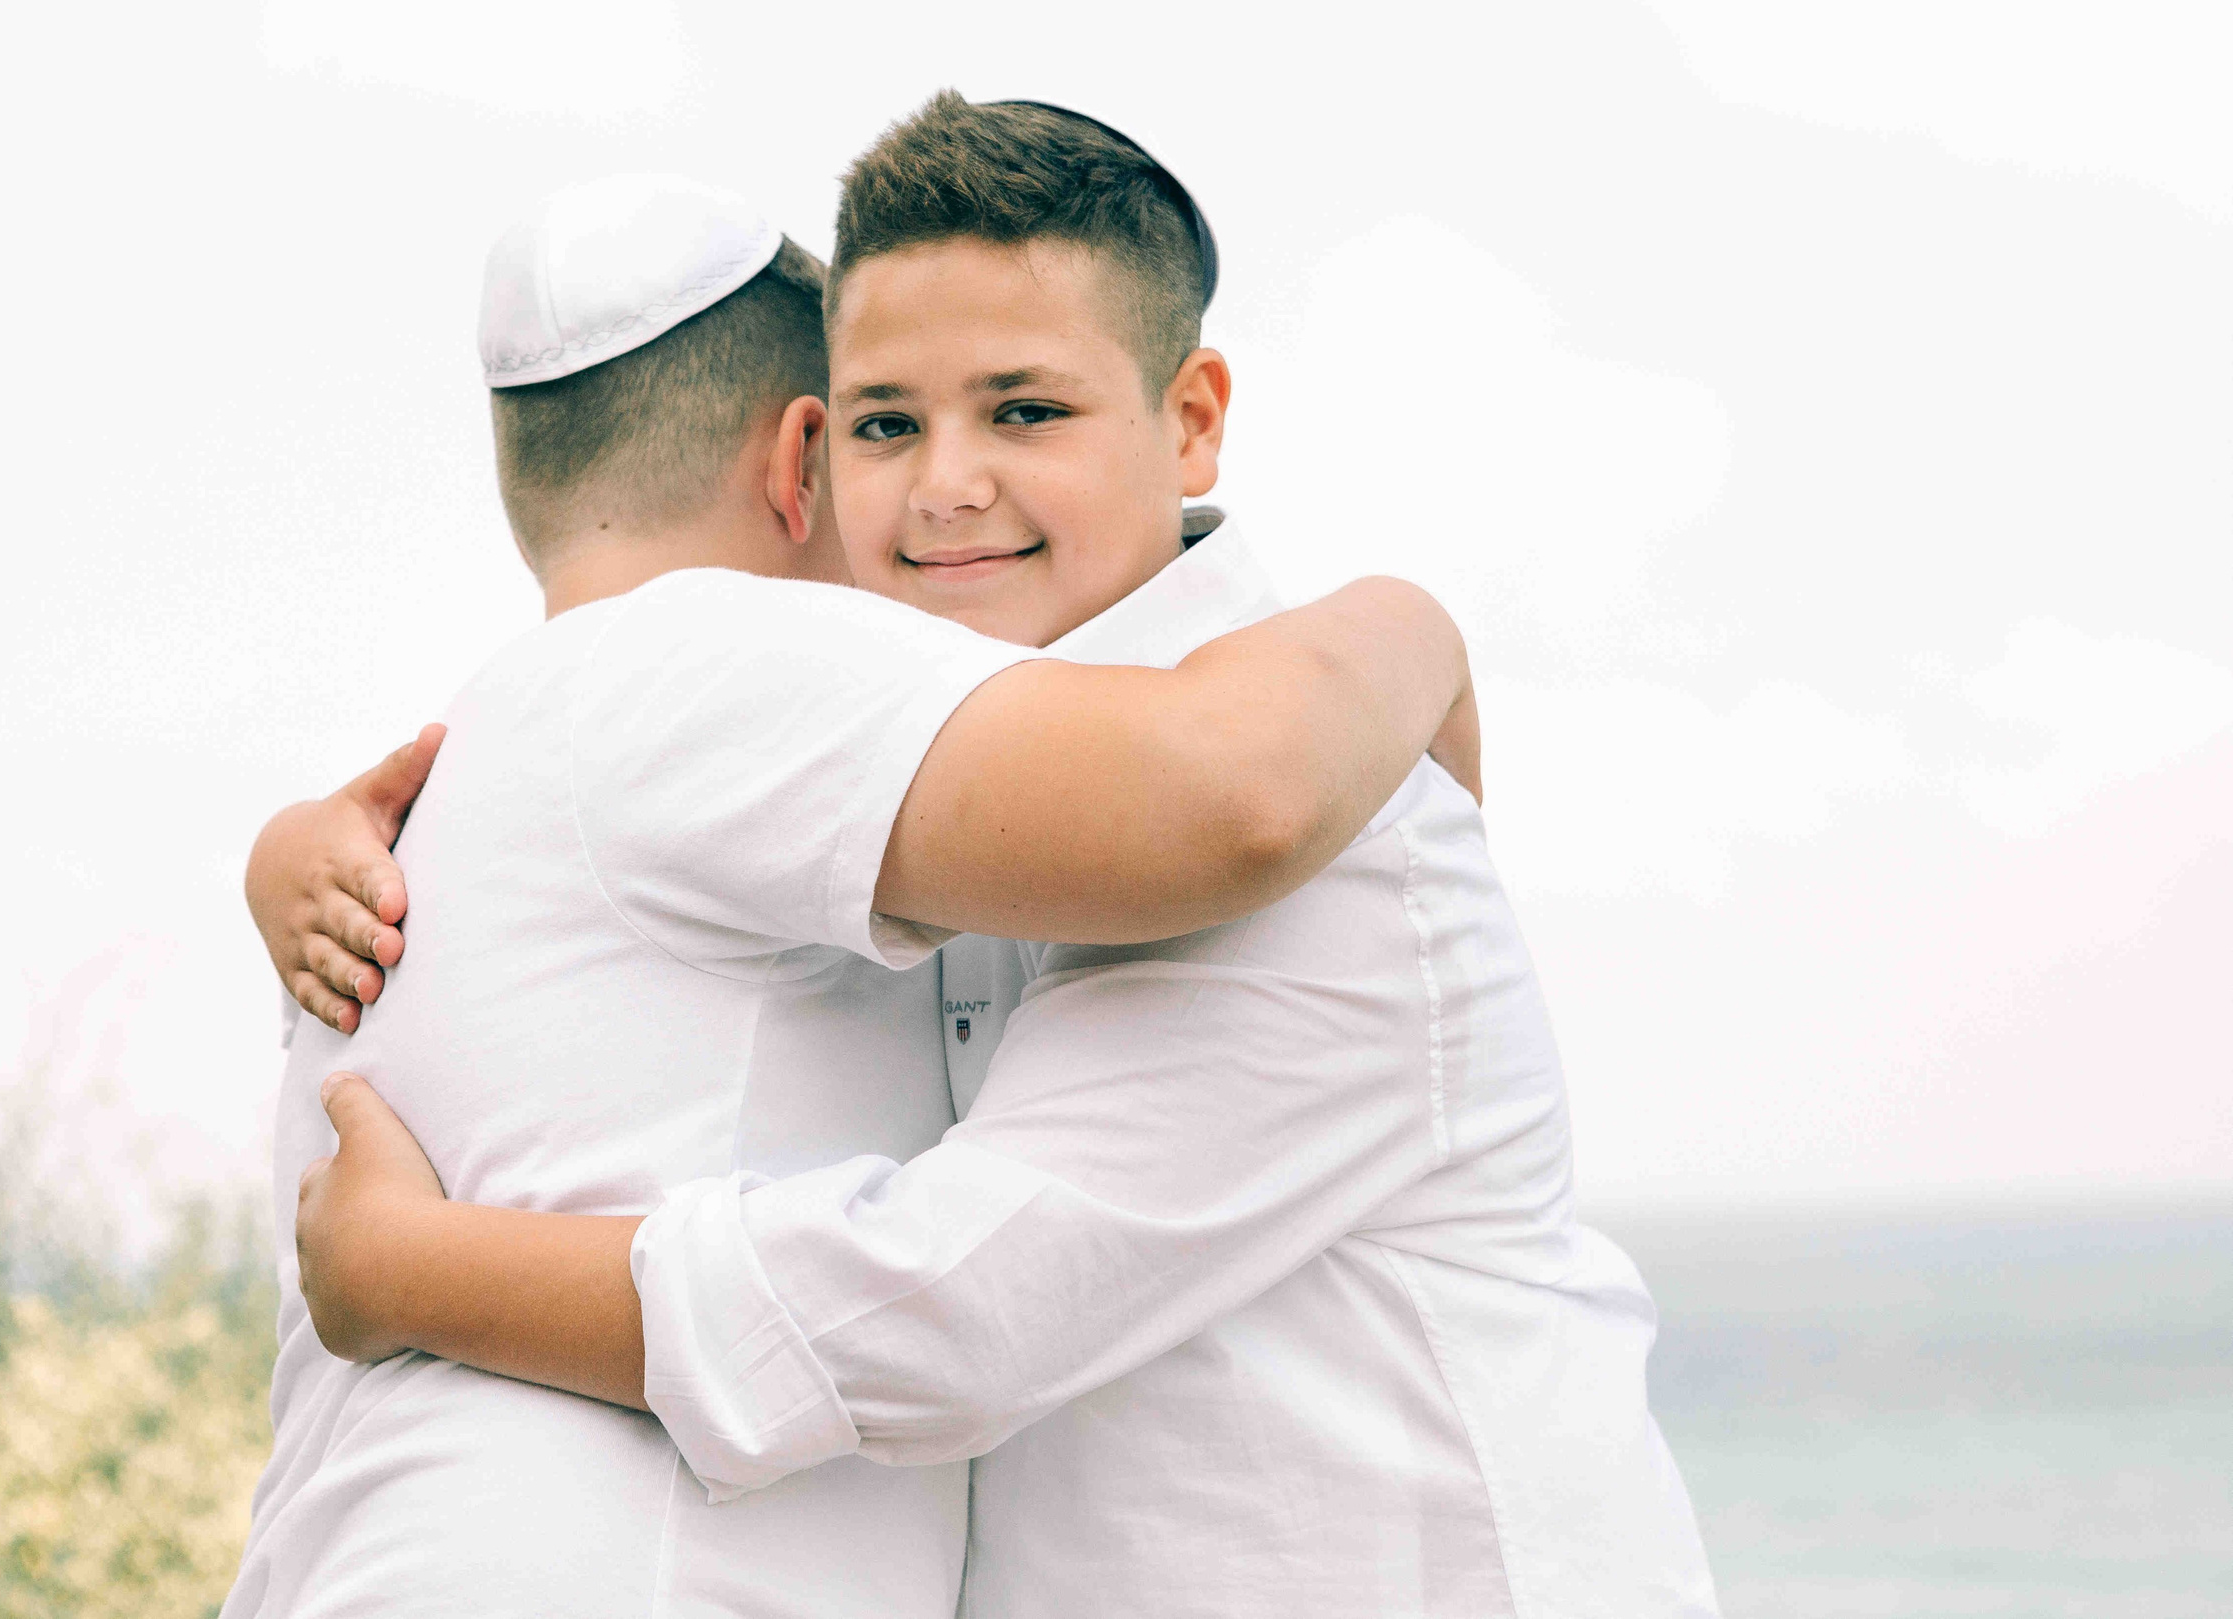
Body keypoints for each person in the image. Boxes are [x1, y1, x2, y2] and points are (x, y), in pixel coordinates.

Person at [268, 94, 1718, 1616]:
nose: (946, 482)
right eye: (890, 423)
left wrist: (408, 1276)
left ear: (1195, 416)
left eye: (1025, 410)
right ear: (813, 456)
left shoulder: (1324, 818)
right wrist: (297, 855)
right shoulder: (944, 785)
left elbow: (951, 1315)